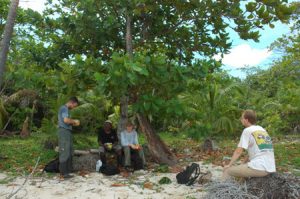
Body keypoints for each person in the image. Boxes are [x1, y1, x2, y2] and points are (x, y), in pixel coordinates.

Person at [222, 109, 276, 180]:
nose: (241, 120)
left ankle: (221, 189)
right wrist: (242, 164)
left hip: (260, 167)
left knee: (227, 171)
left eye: (242, 118)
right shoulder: (262, 129)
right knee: (243, 169)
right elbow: (254, 152)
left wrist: (229, 165)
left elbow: (238, 151)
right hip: (271, 167)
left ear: (246, 120)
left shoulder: (247, 130)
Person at [57, 97, 80, 179]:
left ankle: (68, 170)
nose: (74, 107)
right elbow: (66, 120)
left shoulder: (67, 110)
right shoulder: (64, 108)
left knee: (70, 150)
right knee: (65, 150)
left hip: (68, 132)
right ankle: (63, 173)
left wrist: (72, 123)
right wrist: (74, 121)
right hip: (64, 132)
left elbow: (67, 121)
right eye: (74, 106)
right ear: (72, 102)